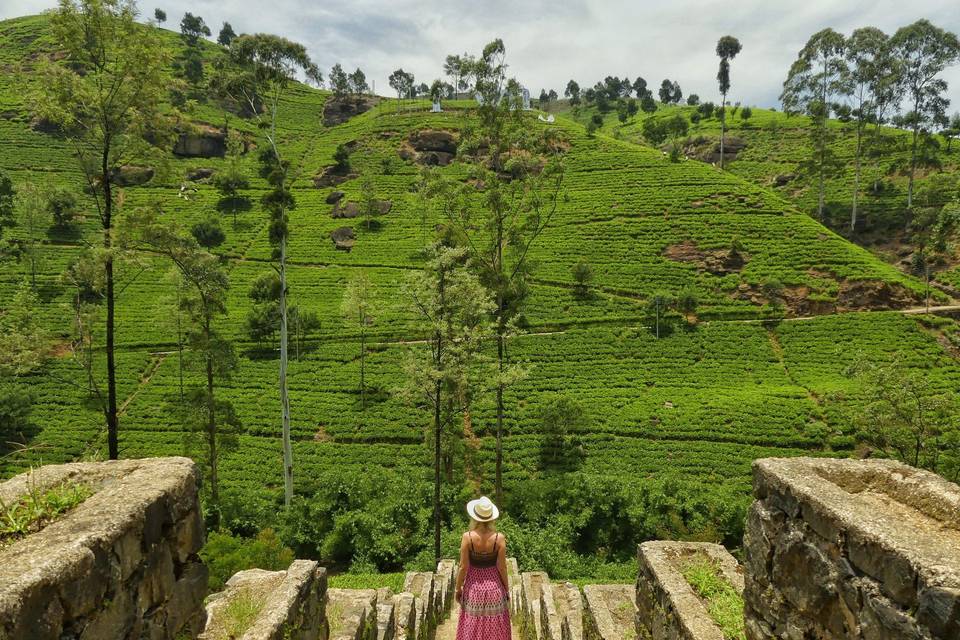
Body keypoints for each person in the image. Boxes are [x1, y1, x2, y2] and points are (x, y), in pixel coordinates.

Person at [455, 496, 511, 639]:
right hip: (494, 588)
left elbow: (463, 566)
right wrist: (506, 588)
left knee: (472, 625)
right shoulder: (499, 538)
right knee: (495, 628)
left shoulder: (468, 537)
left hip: (473, 588)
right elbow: (502, 567)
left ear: (475, 517)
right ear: (491, 518)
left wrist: (458, 588)